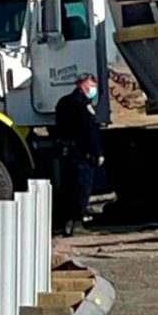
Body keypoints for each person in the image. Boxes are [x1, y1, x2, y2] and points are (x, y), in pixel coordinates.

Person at [55, 73, 105, 236]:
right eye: (91, 86)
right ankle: (77, 223)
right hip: (82, 153)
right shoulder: (82, 105)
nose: (93, 90)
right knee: (81, 188)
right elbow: (89, 131)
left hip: (66, 152)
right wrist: (98, 152)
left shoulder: (62, 102)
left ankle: (67, 223)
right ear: (83, 85)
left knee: (67, 187)